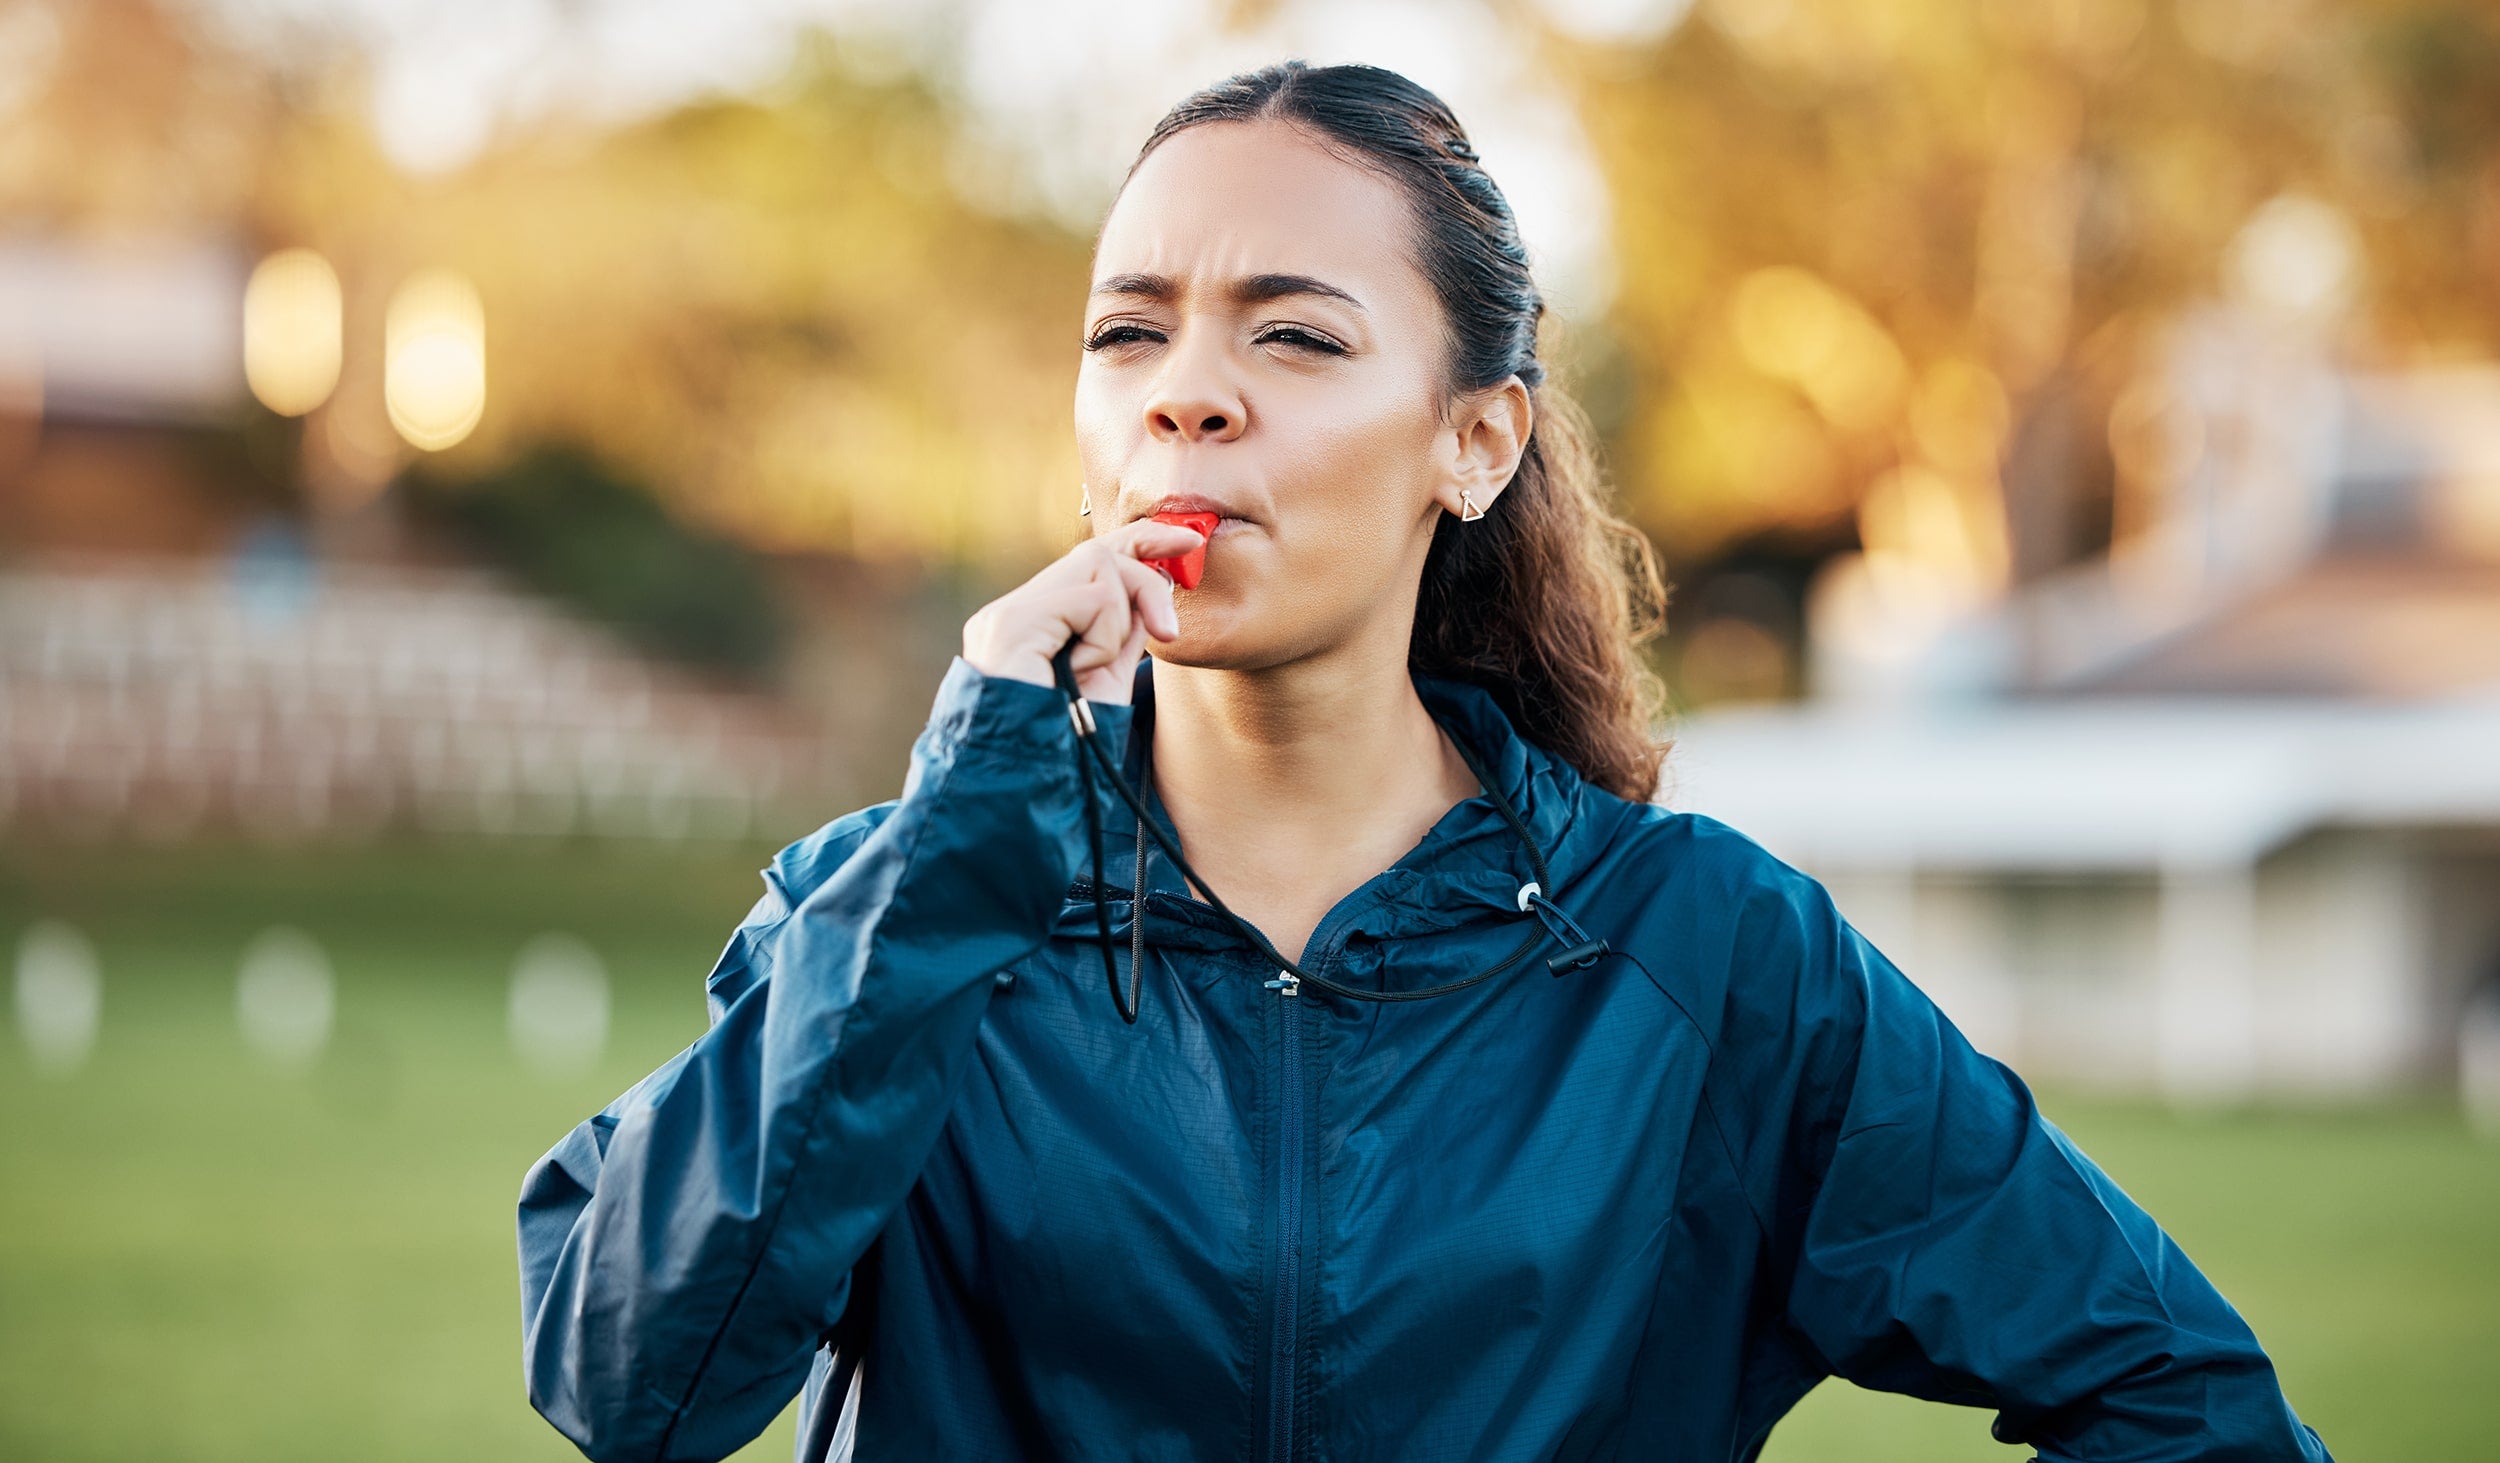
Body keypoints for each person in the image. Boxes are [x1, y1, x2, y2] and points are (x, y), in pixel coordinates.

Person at [516, 60, 2333, 1463]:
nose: (1187, 392)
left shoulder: (1701, 954)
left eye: (1293, 335)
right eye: (1130, 332)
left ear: (1474, 442)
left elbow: (2186, 1400)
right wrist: (954, 850)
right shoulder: (901, 911)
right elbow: (630, 1385)